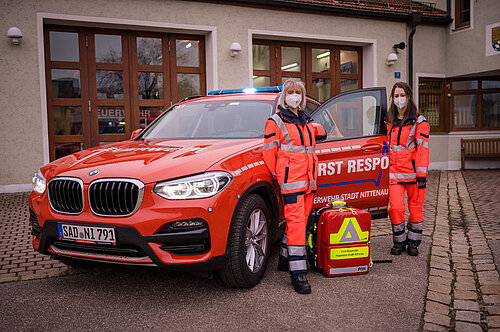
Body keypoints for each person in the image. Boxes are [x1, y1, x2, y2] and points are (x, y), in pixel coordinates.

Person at [263, 79, 319, 294]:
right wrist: (279, 177)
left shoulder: (306, 120)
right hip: (291, 182)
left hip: (308, 182)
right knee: (296, 224)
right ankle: (298, 273)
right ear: (284, 96)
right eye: (291, 92)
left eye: (298, 92)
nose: (294, 96)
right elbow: (269, 152)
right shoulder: (275, 121)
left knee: (301, 222)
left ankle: (286, 260)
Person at [386, 82, 430, 257]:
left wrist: (421, 175)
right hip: (394, 173)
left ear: (409, 97)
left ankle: (413, 242)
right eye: (396, 96)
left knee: (416, 208)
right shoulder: (388, 120)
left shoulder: (420, 122)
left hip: (414, 174)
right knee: (395, 208)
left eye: (402, 95)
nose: (399, 99)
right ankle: (399, 241)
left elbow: (423, 150)